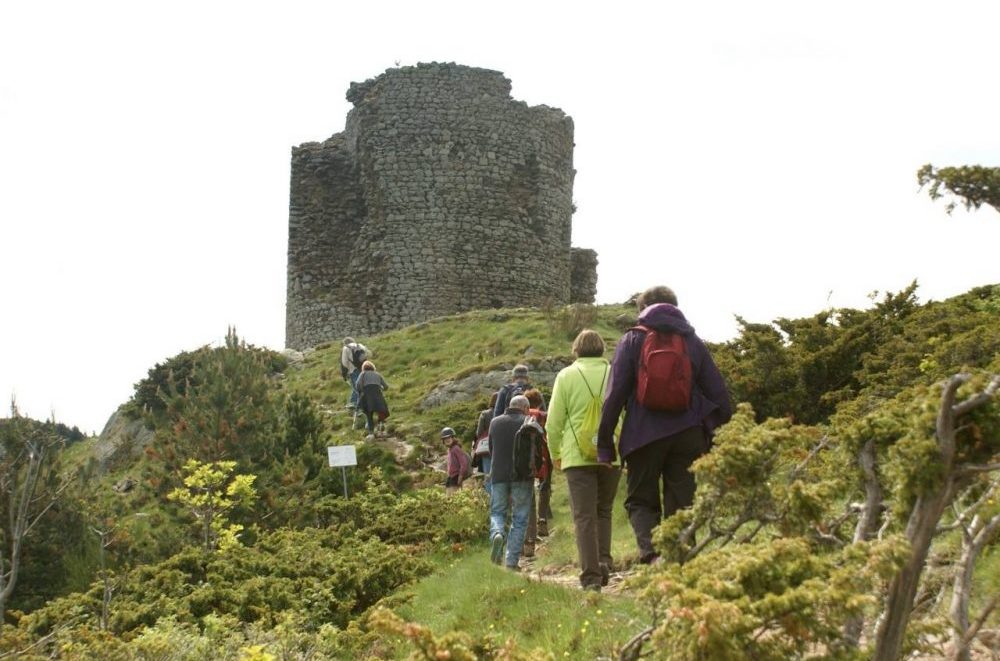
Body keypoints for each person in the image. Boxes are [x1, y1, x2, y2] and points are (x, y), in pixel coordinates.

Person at [597, 286, 732, 565]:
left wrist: (605, 445)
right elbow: (718, 393)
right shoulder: (692, 341)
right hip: (687, 434)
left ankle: (653, 555)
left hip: (642, 435)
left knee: (640, 501)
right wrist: (718, 436)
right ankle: (681, 561)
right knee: (682, 503)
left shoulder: (632, 339)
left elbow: (614, 396)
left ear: (643, 308)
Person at [546, 329, 622, 590]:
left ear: (575, 350)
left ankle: (590, 577)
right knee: (604, 510)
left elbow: (553, 423)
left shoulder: (566, 376)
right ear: (601, 349)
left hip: (576, 457)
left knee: (584, 516)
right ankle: (604, 562)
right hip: (611, 452)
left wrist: (555, 453)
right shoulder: (614, 373)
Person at [487, 395, 537, 570]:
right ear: (525, 408)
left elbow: (491, 450)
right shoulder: (529, 421)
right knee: (520, 517)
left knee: (497, 512)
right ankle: (511, 562)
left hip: (499, 476)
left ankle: (497, 534)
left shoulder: (495, 422)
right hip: (522, 476)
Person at [521, 388, 553, 558]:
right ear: (539, 401)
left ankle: (528, 534)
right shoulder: (543, 415)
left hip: (525, 459)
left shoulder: (523, 416)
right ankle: (542, 519)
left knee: (528, 495)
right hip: (545, 455)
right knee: (545, 485)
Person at [472, 393, 498, 494]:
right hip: (500, 448)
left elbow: (478, 433)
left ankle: (489, 500)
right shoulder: (503, 413)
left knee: (487, 475)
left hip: (486, 448)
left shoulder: (484, 414)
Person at [354, 361, 389, 435]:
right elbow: (386, 386)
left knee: (368, 414)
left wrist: (361, 391)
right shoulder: (377, 374)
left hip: (367, 395)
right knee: (381, 410)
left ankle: (371, 432)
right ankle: (381, 425)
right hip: (378, 395)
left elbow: (357, 385)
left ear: (364, 368)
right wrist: (380, 388)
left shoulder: (363, 374)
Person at [340, 337, 369, 409]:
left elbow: (344, 362)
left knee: (356, 387)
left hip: (353, 370)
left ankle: (356, 405)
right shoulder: (360, 345)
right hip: (362, 368)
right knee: (360, 386)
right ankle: (354, 403)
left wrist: (346, 370)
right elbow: (367, 355)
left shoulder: (346, 348)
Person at [441, 427, 469, 494]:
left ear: (453, 438)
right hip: (451, 477)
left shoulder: (456, 448)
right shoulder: (450, 449)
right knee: (449, 497)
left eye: (449, 437)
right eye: (445, 438)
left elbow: (464, 463)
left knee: (452, 498)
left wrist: (460, 476)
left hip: (456, 477)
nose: (447, 440)